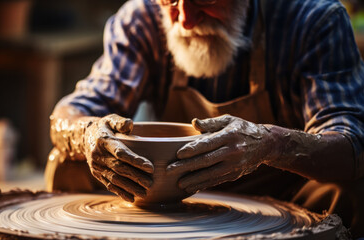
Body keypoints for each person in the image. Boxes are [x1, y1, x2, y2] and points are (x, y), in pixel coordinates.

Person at [47, 0, 364, 237]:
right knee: (67, 161)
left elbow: (353, 146)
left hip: (283, 200)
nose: (185, 19)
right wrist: (86, 133)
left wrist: (272, 144)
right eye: (171, 1)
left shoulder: (313, 20)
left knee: (347, 190)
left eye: (206, 1)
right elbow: (71, 113)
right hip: (174, 200)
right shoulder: (143, 18)